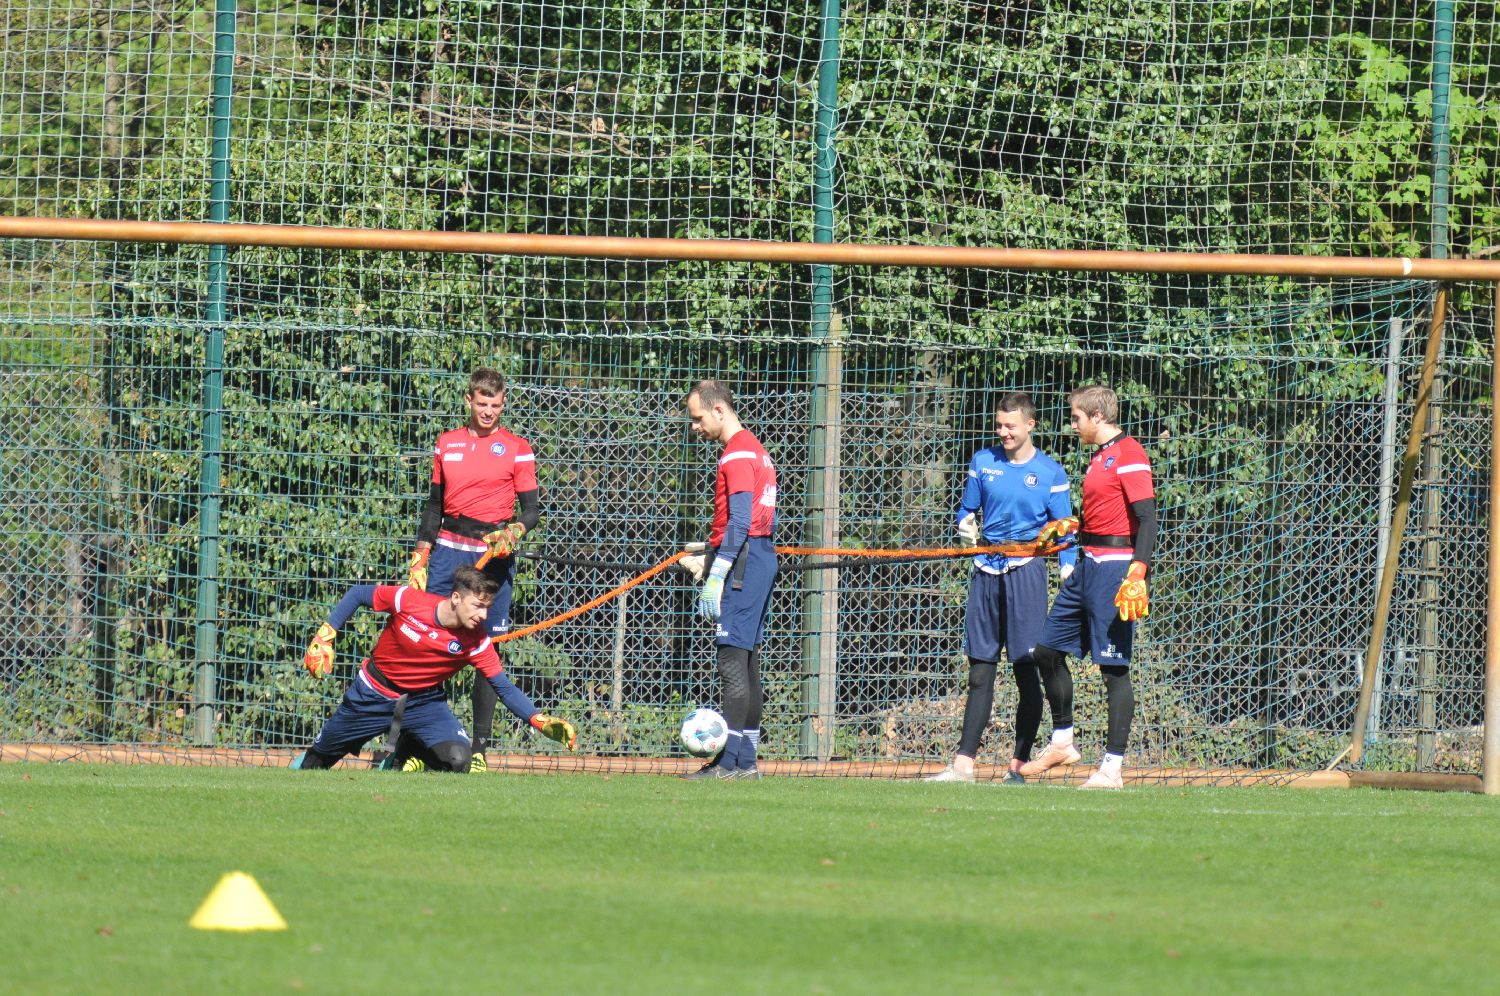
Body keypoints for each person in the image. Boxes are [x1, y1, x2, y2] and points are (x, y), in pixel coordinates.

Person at [926, 392, 1077, 784]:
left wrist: (1068, 565)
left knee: (1026, 670)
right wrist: (964, 526)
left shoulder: (1050, 472)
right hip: (985, 569)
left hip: (1026, 571)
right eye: (999, 425)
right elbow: (966, 510)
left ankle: (1017, 766)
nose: (1003, 432)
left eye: (1011, 425)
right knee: (980, 671)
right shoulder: (983, 462)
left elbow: (1065, 530)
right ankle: (964, 765)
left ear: (1030, 425)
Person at [292, 565, 576, 771]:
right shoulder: (408, 600)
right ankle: (323, 754)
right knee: (313, 766)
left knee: (458, 760)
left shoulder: (477, 641)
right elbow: (358, 594)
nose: (484, 615)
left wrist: (539, 720)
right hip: (372, 694)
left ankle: (405, 750)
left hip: (423, 704)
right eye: (478, 606)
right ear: (456, 598)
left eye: (487, 608)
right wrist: (325, 636)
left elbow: (503, 687)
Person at [400, 367, 539, 773]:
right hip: (447, 552)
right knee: (427, 645)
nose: (488, 411)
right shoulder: (447, 444)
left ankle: (478, 750)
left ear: (503, 403)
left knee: (487, 649)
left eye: (495, 405)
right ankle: (417, 747)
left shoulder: (517, 448)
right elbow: (433, 506)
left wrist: (514, 530)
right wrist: (421, 554)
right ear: (469, 401)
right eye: (482, 404)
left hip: (492, 558)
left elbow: (531, 511)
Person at [1020, 384, 1157, 790]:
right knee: (1046, 651)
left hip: (1115, 571)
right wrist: (1074, 528)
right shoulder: (1100, 456)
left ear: (1098, 417)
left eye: (1076, 417)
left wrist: (1138, 571)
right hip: (1087, 565)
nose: (1072, 424)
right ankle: (1063, 742)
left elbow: (1147, 518)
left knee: (1113, 669)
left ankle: (1112, 769)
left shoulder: (1130, 453)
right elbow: (1108, 513)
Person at [681, 380, 779, 780]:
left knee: (731, 660)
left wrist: (718, 570)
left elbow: (741, 520)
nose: (695, 427)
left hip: (743, 562)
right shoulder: (757, 449)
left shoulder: (736, 453)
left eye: (698, 418)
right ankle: (746, 761)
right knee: (748, 659)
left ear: (719, 410)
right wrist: (712, 549)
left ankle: (727, 763)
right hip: (759, 556)